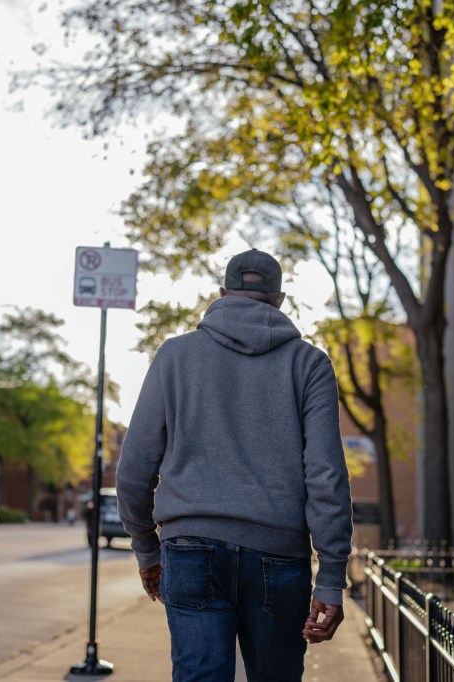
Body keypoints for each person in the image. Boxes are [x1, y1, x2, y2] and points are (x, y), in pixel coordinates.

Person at [115, 248, 353, 682]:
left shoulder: (174, 356)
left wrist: (147, 550)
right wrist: (332, 577)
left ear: (222, 294)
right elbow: (326, 476)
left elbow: (133, 469)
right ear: (279, 300)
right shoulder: (309, 364)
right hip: (279, 555)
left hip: (189, 549)